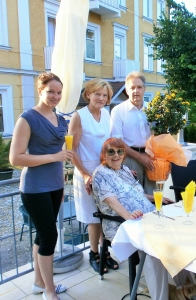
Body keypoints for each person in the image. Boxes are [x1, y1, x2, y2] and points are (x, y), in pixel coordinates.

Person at [92, 137, 196, 300]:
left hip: (148, 216)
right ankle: (159, 296)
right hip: (122, 223)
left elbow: (137, 194)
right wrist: (128, 216)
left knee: (177, 239)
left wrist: (155, 197)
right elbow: (111, 201)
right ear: (103, 154)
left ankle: (186, 287)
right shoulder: (100, 174)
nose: (116, 155)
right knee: (153, 250)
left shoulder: (124, 170)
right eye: (110, 152)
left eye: (120, 151)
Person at [9, 72, 73, 300]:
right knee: (48, 237)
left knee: (42, 236)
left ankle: (38, 282)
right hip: (35, 187)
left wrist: (63, 180)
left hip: (55, 185)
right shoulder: (27, 118)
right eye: (50, 92)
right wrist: (54, 157)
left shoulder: (59, 118)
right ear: (40, 91)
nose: (55, 96)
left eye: (58, 92)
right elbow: (15, 159)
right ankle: (49, 289)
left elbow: (62, 154)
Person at [68, 78, 118, 273]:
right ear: (88, 94)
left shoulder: (106, 114)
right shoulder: (79, 116)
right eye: (97, 93)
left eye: (105, 95)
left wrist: (117, 167)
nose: (101, 98)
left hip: (104, 170)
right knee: (93, 217)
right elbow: (71, 150)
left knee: (105, 214)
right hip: (86, 171)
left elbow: (110, 145)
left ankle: (105, 252)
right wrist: (85, 174)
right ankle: (94, 253)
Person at [110, 71, 155, 194]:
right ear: (127, 90)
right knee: (134, 197)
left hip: (151, 158)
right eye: (132, 88)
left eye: (139, 87)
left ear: (144, 89)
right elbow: (117, 142)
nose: (136, 91)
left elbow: (159, 136)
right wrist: (140, 157)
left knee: (153, 196)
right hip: (129, 158)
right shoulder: (118, 111)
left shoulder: (152, 109)